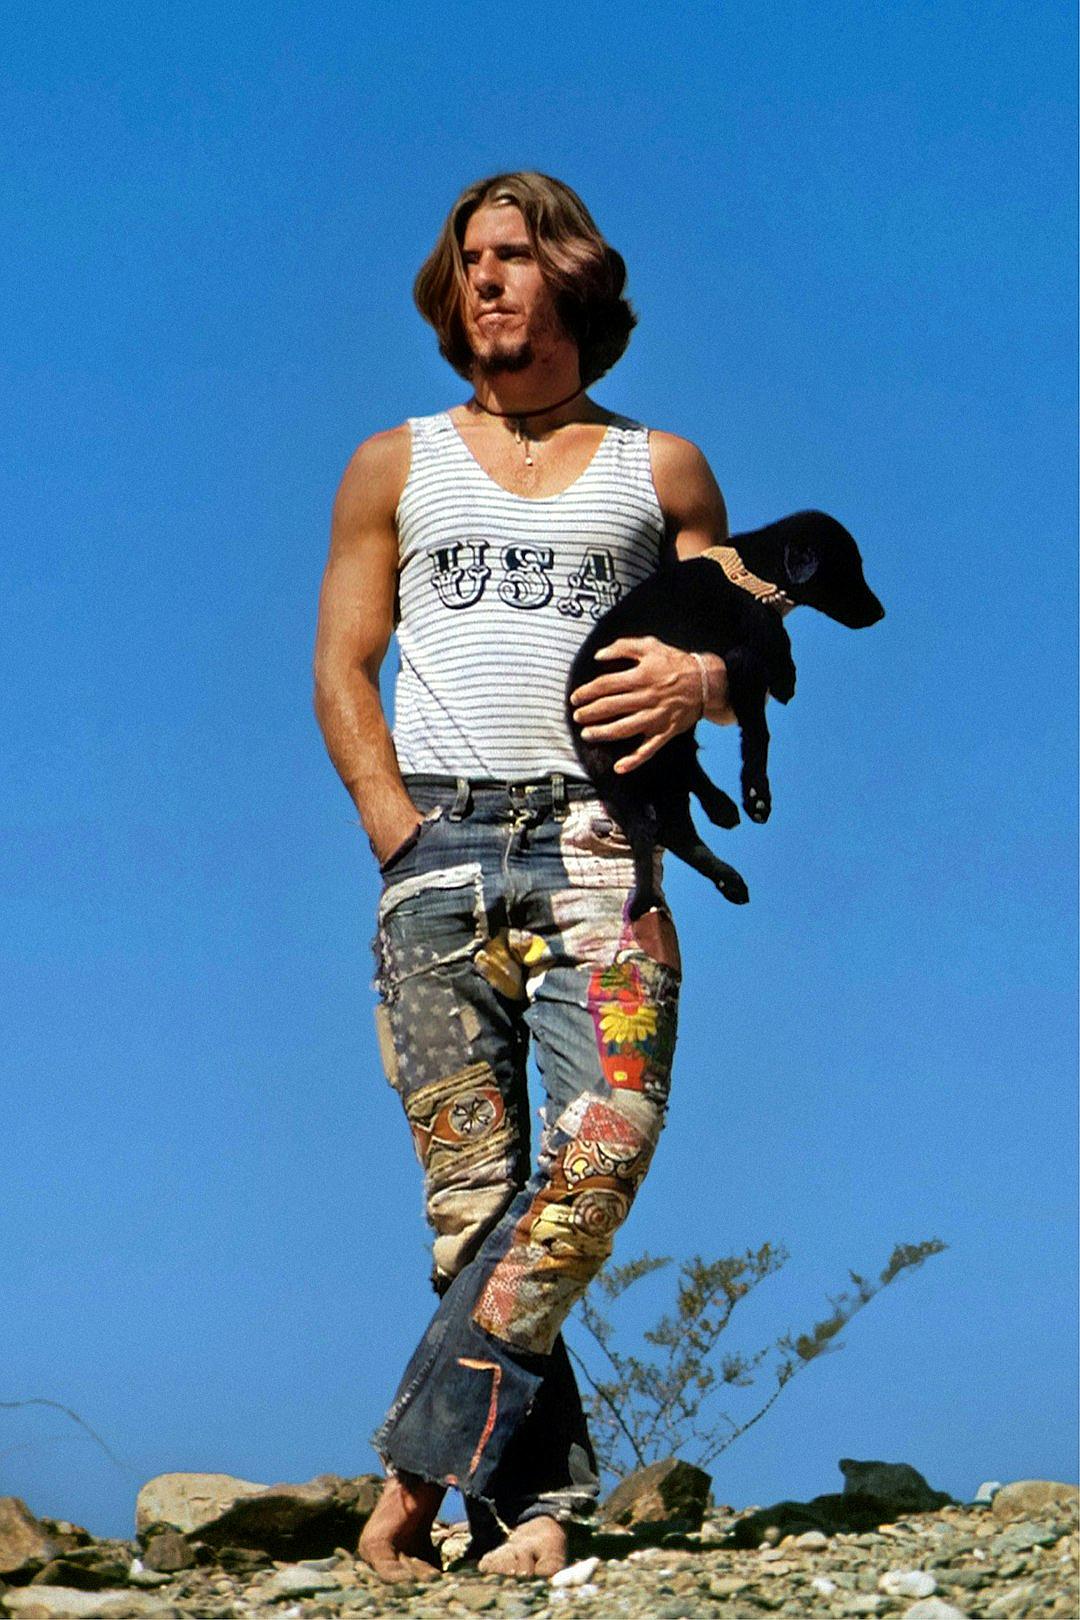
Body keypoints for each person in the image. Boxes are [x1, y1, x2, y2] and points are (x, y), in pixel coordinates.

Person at [312, 172, 735, 1582]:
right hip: (435, 857)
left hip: (603, 853)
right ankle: (528, 1508)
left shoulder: (657, 468)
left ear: (574, 279)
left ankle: (409, 1476)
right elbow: (342, 662)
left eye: (515, 256)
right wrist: (394, 824)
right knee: (475, 1206)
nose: (486, 279)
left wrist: (707, 670)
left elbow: (740, 639)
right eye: (471, 260)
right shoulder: (396, 463)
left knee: (598, 1154)